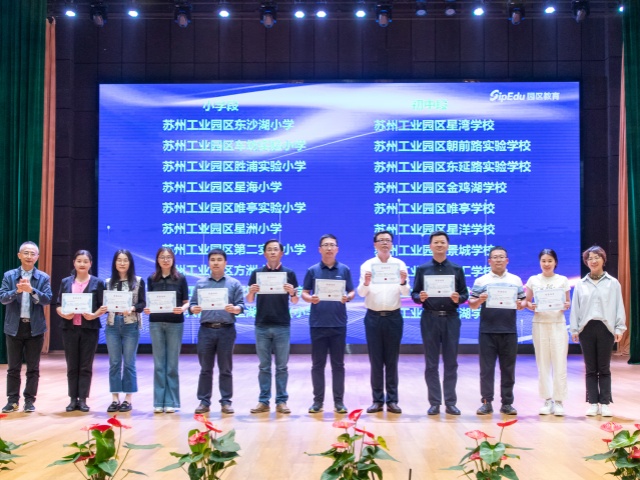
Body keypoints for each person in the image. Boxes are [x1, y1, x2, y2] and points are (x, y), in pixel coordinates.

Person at [411, 230, 468, 416]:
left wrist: (459, 298)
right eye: (436, 242)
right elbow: (414, 294)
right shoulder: (423, 269)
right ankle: (434, 402)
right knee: (431, 363)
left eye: (442, 242)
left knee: (451, 362)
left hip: (451, 318)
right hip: (430, 318)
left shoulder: (457, 269)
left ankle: (450, 402)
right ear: (430, 246)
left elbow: (465, 294)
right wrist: (420, 297)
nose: (439, 245)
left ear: (448, 245)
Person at [569, 246, 626, 417]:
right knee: (590, 368)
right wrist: (574, 329)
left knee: (604, 367)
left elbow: (619, 306)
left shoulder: (613, 283)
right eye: (590, 258)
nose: (593, 261)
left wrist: (619, 328)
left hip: (605, 328)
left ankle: (605, 403)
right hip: (586, 329)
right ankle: (593, 403)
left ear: (603, 259)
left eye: (596, 257)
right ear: (586, 262)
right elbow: (575, 308)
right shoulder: (580, 284)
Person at [469, 246, 525, 416]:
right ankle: (486, 402)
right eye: (495, 257)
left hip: (509, 330)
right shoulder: (481, 281)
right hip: (487, 331)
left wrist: (520, 304)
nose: (498, 260)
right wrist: (480, 300)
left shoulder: (515, 280)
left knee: (508, 369)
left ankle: (507, 403)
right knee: (486, 369)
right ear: (489, 261)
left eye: (501, 257)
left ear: (507, 260)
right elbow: (472, 304)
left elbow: (522, 302)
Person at [302, 234, 355, 415]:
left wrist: (348, 297)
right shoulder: (312, 270)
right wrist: (311, 298)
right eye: (325, 245)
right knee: (317, 365)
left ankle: (339, 402)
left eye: (332, 245)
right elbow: (304, 293)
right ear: (320, 249)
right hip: (318, 324)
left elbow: (352, 291)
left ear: (337, 249)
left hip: (338, 324)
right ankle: (317, 402)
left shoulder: (344, 269)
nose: (329, 248)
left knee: (338, 365)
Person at [357, 230, 409, 415]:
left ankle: (392, 400)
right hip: (373, 317)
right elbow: (361, 293)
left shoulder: (400, 264)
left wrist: (403, 281)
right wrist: (366, 282)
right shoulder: (367, 265)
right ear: (375, 244)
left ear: (392, 244)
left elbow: (405, 293)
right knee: (376, 360)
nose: (385, 243)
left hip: (394, 317)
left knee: (392, 360)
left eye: (388, 240)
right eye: (381, 240)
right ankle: (377, 400)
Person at [246, 240, 299, 415]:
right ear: (264, 254)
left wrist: (292, 292)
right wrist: (251, 291)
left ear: (281, 253)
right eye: (269, 250)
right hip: (262, 325)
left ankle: (281, 401)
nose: (273, 252)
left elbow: (295, 301)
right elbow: (249, 300)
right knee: (264, 367)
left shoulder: (289, 273)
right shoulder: (257, 273)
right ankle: (263, 401)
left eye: (276, 249)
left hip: (282, 324)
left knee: (282, 367)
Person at [190, 248, 244, 415]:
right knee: (205, 368)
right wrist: (193, 309)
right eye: (212, 259)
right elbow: (192, 304)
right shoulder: (201, 284)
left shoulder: (234, 284)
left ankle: (226, 402)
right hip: (206, 330)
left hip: (226, 330)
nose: (216, 263)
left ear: (225, 263)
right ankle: (204, 401)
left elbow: (241, 306)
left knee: (225, 368)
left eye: (219, 259)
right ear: (208, 263)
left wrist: (235, 309)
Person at [0, 241, 52, 413]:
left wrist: (32, 291)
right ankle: (12, 401)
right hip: (14, 327)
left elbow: (47, 300)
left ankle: (29, 401)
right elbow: (3, 298)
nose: (29, 256)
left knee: (33, 368)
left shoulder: (43, 277)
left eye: (33, 254)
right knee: (13, 368)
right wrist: (17, 291)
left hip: (34, 328)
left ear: (37, 257)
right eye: (26, 253)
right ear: (19, 255)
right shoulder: (9, 276)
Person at [55, 250, 107, 412]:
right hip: (69, 329)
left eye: (85, 261)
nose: (82, 264)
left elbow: (103, 306)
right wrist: (63, 313)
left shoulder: (98, 283)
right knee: (72, 365)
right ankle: (72, 399)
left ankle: (83, 399)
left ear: (90, 264)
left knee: (85, 365)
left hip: (89, 329)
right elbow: (58, 305)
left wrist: (94, 315)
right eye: (79, 261)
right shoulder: (65, 282)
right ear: (74, 263)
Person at [523, 249, 571, 416]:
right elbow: (526, 301)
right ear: (540, 262)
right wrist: (531, 306)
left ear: (555, 262)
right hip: (540, 324)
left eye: (550, 260)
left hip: (558, 323)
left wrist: (566, 305)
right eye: (543, 261)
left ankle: (559, 401)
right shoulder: (533, 280)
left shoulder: (563, 280)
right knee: (542, 363)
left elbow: (567, 302)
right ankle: (547, 399)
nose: (546, 264)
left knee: (559, 363)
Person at [144, 247, 189, 414]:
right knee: (158, 364)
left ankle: (171, 402)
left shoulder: (180, 278)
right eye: (162, 257)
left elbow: (186, 301)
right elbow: (149, 301)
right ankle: (158, 402)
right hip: (156, 323)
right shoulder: (151, 279)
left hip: (175, 323)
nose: (165, 260)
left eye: (168, 257)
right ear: (157, 260)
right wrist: (148, 309)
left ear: (173, 259)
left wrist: (182, 309)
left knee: (172, 365)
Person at [104, 249, 146, 413]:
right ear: (115, 263)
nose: (122, 263)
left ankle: (128, 399)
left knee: (129, 362)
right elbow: (103, 304)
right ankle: (115, 398)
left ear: (130, 263)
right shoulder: (108, 282)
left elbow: (142, 304)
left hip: (131, 324)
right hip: (112, 324)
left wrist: (133, 308)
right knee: (114, 363)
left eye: (125, 260)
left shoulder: (138, 281)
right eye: (119, 260)